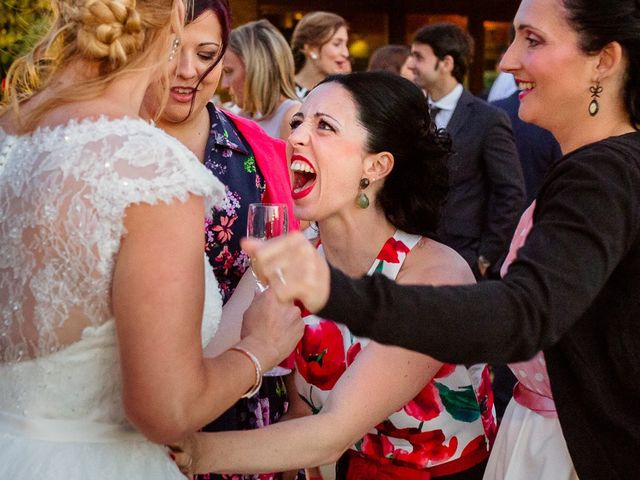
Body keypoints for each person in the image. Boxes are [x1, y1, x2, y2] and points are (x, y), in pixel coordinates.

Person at [241, 0, 640, 478]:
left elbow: (525, 314)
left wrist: (334, 293)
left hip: (576, 448)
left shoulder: (603, 173)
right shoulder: (601, 165)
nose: (509, 60)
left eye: (532, 40)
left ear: (605, 59)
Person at [0, 0, 303, 478]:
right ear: (164, 34)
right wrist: (260, 347)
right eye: (179, 47)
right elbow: (166, 410)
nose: (186, 69)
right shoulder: (150, 169)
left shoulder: (15, 136)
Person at [172, 72, 497, 479]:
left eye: (324, 126)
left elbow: (331, 432)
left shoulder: (434, 275)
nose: (295, 138)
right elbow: (274, 398)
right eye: (298, 122)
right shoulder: (297, 258)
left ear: (376, 165)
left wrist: (191, 453)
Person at [140, 2, 302, 480]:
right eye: (171, 50)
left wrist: (294, 404)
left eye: (207, 53)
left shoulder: (258, 149)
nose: (188, 71)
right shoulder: (112, 147)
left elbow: (280, 283)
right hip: (145, 406)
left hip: (247, 406)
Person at [407, 22, 525, 280]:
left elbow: (510, 191)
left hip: (465, 254)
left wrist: (486, 256)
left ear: (446, 63)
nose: (411, 63)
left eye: (418, 56)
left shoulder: (488, 118)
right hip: (411, 250)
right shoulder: (411, 115)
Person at [221, 19, 301, 140]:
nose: (224, 85)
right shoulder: (243, 115)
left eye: (228, 72)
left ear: (256, 69)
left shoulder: (291, 116)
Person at [290, 11, 350, 99]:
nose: (346, 53)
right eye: (336, 44)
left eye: (346, 44)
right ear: (311, 49)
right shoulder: (281, 93)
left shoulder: (344, 94)